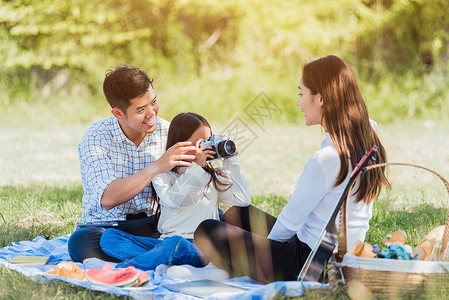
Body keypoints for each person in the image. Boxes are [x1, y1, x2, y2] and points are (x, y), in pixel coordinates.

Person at [193, 55, 390, 283]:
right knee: (237, 214)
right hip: (339, 253)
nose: (298, 103)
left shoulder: (326, 159)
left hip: (311, 264)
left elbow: (288, 223)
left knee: (206, 229)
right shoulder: (367, 135)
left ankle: (233, 267)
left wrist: (267, 251)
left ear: (321, 99)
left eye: (301, 93)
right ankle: (235, 264)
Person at [68, 65, 197, 262]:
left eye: (153, 102)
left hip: (157, 224)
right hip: (110, 227)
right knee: (81, 242)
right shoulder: (96, 138)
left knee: (214, 219)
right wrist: (157, 167)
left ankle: (162, 254)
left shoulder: (168, 131)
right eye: (141, 109)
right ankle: (177, 253)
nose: (151, 113)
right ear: (118, 113)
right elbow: (108, 198)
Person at [99, 112, 251, 270]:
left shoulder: (210, 177)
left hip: (200, 248)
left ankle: (126, 269)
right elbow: (172, 200)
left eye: (208, 141)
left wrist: (231, 160)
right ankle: (162, 258)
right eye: (200, 143)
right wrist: (196, 168)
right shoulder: (163, 175)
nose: (206, 148)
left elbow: (242, 199)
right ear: (180, 144)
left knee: (175, 244)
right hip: (165, 242)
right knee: (109, 237)